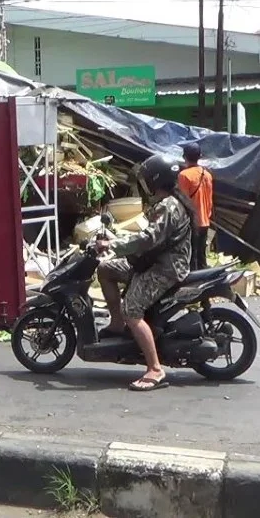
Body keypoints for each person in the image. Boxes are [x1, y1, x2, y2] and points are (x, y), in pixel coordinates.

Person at [94, 155, 193, 392]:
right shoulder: (164, 203)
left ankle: (155, 369)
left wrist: (114, 245)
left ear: (155, 180)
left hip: (165, 268)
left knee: (132, 309)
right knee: (105, 269)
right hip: (151, 261)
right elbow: (147, 236)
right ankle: (117, 325)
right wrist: (115, 239)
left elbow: (149, 239)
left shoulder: (169, 206)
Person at [177, 143, 213, 269]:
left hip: (192, 222)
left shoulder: (184, 175)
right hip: (205, 221)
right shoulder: (207, 175)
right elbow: (209, 199)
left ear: (184, 157)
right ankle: (206, 285)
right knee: (202, 257)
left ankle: (194, 286)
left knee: (191, 259)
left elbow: (183, 201)